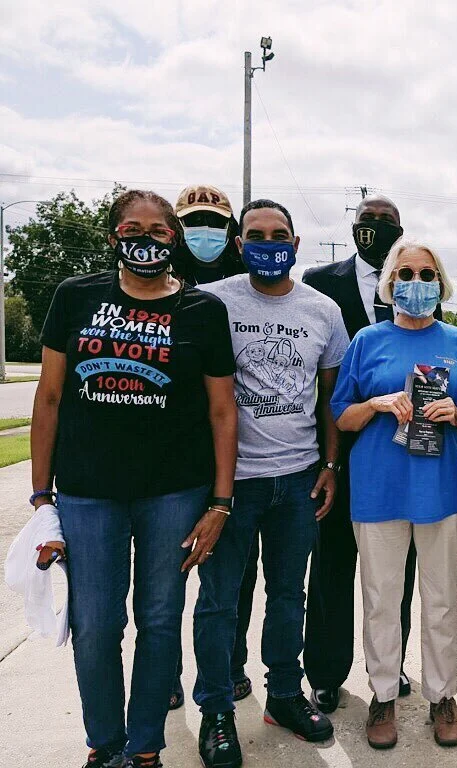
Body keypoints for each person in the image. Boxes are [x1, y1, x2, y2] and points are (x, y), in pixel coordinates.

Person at [31, 189, 237, 768]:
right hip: (88, 490)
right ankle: (105, 743)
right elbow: (48, 399)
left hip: (174, 490)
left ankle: (145, 746)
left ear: (175, 239)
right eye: (133, 228)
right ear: (114, 236)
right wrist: (41, 495)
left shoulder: (202, 311)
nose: (146, 240)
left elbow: (223, 411)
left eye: (159, 230)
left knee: (159, 618)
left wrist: (220, 501)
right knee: (96, 622)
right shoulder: (75, 297)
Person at [195, 199, 349, 765]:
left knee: (288, 596)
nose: (268, 243)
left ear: (296, 242)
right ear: (240, 244)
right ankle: (216, 709)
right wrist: (210, 486)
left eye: (278, 233)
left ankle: (284, 693)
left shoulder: (323, 311)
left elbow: (330, 396)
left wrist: (329, 465)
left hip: (297, 477)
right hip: (230, 484)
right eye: (255, 234)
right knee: (218, 602)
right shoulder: (214, 301)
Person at [332, 239, 457, 749]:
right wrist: (374, 402)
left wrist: (456, 415)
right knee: (380, 600)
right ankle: (383, 694)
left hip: (442, 490)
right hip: (379, 492)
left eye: (427, 273)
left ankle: (442, 696)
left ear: (441, 283)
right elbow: (340, 416)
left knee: (442, 600)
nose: (417, 283)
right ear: (390, 283)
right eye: (407, 273)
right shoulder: (367, 341)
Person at [301, 194, 429, 712]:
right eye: (366, 221)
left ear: (400, 230)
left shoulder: (416, 286)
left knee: (396, 573)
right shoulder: (319, 282)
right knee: (331, 567)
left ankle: (389, 666)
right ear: (354, 228)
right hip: (338, 448)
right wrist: (327, 460)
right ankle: (326, 674)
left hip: (403, 454)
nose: (374, 228)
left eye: (386, 223)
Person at [169, 183, 252, 711]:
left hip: (235, 456)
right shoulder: (161, 287)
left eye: (216, 224)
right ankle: (168, 671)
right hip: (175, 456)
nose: (206, 232)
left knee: (233, 578)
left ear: (230, 235)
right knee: (169, 575)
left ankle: (230, 665)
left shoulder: (245, 290)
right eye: (194, 221)